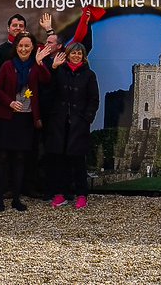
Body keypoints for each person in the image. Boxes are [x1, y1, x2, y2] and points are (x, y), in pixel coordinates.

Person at [0, 32, 51, 212]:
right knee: (2, 158)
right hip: (7, 118)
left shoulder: (36, 65)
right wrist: (9, 102)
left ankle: (17, 198)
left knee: (20, 158)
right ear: (15, 48)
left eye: (27, 46)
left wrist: (40, 63)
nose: (24, 49)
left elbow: (47, 80)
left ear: (32, 48)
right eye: (20, 46)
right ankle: (0, 198)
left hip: (26, 119)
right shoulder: (7, 66)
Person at [43, 42, 99, 210]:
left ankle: (82, 195)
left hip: (78, 124)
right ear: (67, 54)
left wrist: (86, 119)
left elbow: (93, 100)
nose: (76, 56)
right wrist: (53, 69)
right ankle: (60, 194)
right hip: (59, 123)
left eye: (79, 54)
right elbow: (49, 92)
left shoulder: (89, 75)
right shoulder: (59, 71)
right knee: (59, 161)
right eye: (73, 53)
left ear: (83, 56)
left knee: (78, 161)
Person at [0, 14, 27, 78]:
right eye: (14, 25)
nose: (18, 28)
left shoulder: (31, 49)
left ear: (25, 29)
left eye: (21, 26)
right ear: (8, 28)